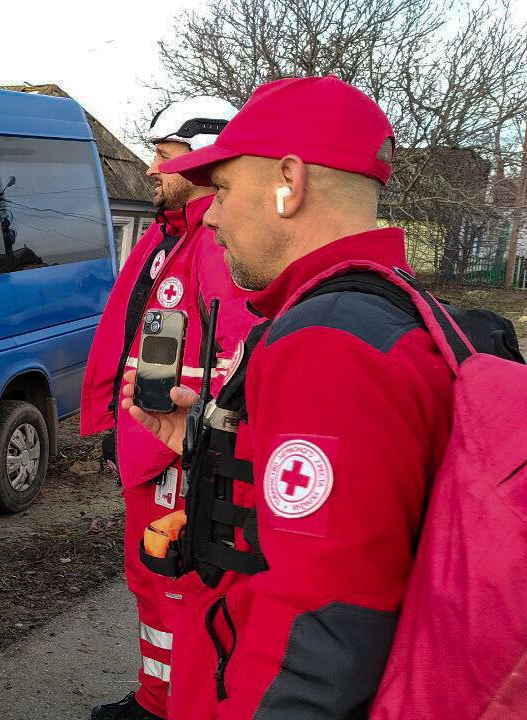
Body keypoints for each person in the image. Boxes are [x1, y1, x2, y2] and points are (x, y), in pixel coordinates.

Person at [122, 76, 456, 718]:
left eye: (220, 188)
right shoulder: (388, 309)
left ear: (289, 181)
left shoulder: (330, 345)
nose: (210, 212)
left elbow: (319, 634)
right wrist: (210, 447)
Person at [80, 98, 255, 720]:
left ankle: (171, 705)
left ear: (205, 159)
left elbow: (231, 367)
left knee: (173, 583)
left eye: (163, 154)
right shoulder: (167, 236)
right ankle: (159, 695)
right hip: (149, 446)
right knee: (152, 583)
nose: (151, 169)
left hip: (175, 456)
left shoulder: (216, 242)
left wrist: (159, 441)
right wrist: (110, 427)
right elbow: (131, 336)